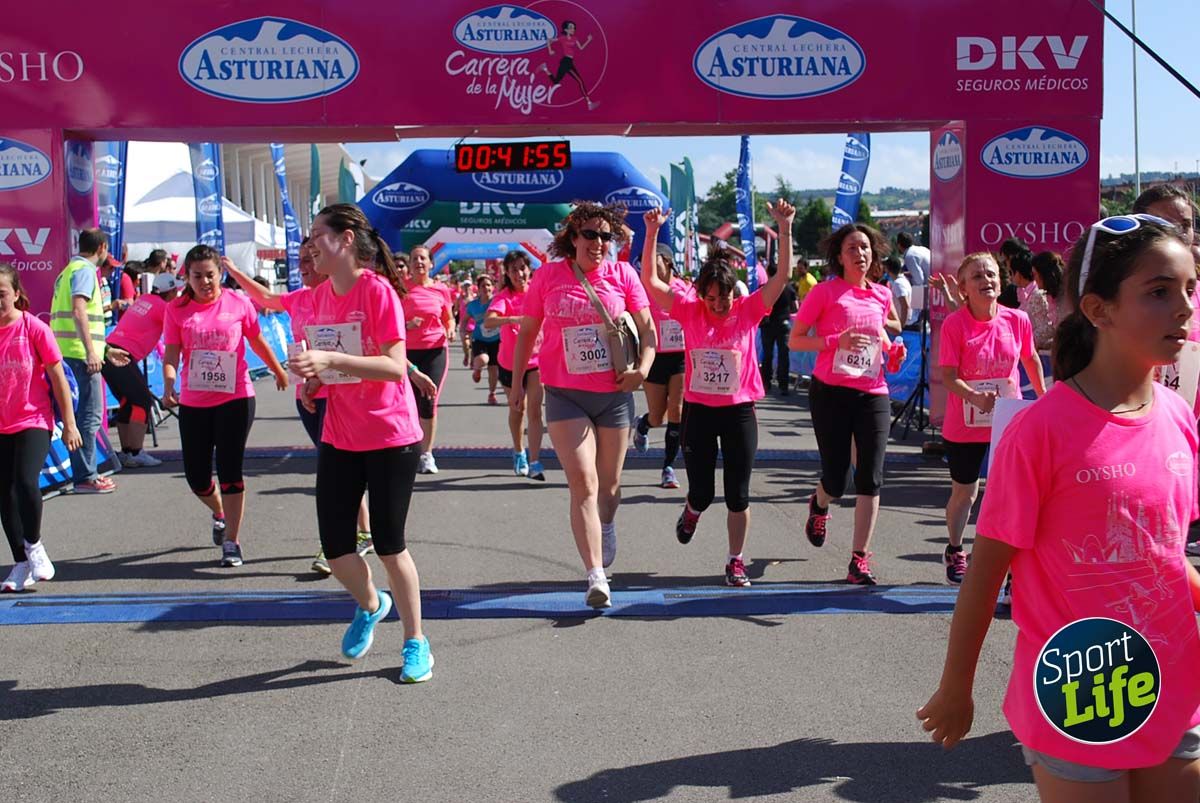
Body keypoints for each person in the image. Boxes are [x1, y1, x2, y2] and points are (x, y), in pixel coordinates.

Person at [918, 214, 1200, 800]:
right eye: (1158, 292)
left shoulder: (1178, 418)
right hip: (1080, 689)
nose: (1183, 308)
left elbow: (1164, 557)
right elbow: (986, 572)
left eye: (1188, 290)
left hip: (1176, 682)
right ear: (1098, 311)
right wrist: (956, 686)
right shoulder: (1040, 431)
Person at [291, 203, 433, 683]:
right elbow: (335, 369)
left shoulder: (378, 292)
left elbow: (394, 366)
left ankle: (416, 642)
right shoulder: (317, 299)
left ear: (347, 238)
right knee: (336, 548)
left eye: (318, 234)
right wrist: (315, 384)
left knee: (392, 546)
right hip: (342, 433)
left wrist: (329, 357)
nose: (311, 244)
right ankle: (372, 605)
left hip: (391, 434)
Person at [509, 201, 656, 608]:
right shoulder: (548, 276)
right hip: (564, 393)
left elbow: (648, 333)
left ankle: (605, 525)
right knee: (583, 483)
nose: (598, 243)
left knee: (608, 487)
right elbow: (527, 332)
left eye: (605, 236)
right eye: (590, 234)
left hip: (614, 396)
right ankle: (596, 575)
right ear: (572, 237)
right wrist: (520, 381)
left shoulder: (623, 275)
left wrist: (642, 370)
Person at [643, 202, 795, 586]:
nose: (717, 306)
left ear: (733, 292)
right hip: (699, 411)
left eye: (722, 298)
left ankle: (735, 560)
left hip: (739, 411)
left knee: (738, 494)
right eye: (710, 299)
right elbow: (651, 283)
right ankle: (692, 510)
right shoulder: (691, 310)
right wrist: (651, 234)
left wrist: (785, 227)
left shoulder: (747, 310)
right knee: (703, 492)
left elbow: (782, 277)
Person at [223, 242, 379, 575]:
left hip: (338, 395)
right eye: (302, 260)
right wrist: (235, 273)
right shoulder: (301, 298)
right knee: (334, 467)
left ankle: (338, 542)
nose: (305, 265)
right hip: (305, 395)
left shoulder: (341, 296)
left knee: (333, 473)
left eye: (311, 259)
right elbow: (265, 298)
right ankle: (363, 531)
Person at [789, 223, 904, 585]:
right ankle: (820, 503)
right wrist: (833, 341)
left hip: (873, 392)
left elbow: (881, 337)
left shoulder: (881, 296)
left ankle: (859, 560)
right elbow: (796, 340)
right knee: (837, 480)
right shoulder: (825, 293)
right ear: (840, 256)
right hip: (830, 392)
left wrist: (893, 352)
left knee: (870, 476)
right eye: (853, 248)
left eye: (866, 247)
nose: (861, 254)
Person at [161, 245, 288, 568]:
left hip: (236, 397)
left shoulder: (238, 302)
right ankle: (218, 511)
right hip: (195, 400)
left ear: (221, 274)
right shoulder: (177, 309)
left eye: (210, 275)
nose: (205, 282)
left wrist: (277, 368)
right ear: (187, 277)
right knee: (197, 477)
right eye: (197, 276)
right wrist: (169, 383)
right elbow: (172, 353)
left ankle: (232, 540)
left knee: (231, 470)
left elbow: (257, 339)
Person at [938, 253, 1045, 584]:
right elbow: (948, 375)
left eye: (992, 274)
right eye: (978, 276)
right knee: (966, 492)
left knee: (1011, 495)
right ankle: (956, 549)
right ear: (964, 288)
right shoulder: (955, 325)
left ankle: (1013, 570)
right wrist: (973, 396)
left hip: (1007, 420)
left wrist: (1044, 400)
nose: (987, 281)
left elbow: (1030, 360)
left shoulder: (1017, 320)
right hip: (965, 423)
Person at [0, 264, 82, 592]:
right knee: (3, 496)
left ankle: (34, 546)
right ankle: (21, 564)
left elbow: (59, 378)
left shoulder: (33, 328)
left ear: (17, 294)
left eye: (1, 294)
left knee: (24, 482)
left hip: (33, 419)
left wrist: (71, 423)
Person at [49, 228, 115, 494]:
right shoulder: (86, 271)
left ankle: (84, 474)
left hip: (68, 351)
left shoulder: (68, 271)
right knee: (89, 415)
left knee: (78, 416)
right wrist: (91, 352)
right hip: (79, 354)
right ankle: (86, 476)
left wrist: (105, 350)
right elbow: (79, 310)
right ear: (101, 248)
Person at [101, 272, 182, 468]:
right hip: (122, 355)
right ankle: (135, 452)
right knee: (142, 400)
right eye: (176, 291)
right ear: (170, 292)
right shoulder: (163, 307)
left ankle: (128, 452)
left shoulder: (145, 299)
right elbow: (179, 330)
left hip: (110, 351)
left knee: (127, 403)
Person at [485, 251, 547, 480]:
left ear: (529, 269)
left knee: (534, 410)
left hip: (536, 361)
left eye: (522, 268)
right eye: (513, 270)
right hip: (509, 364)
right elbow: (489, 321)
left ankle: (535, 461)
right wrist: (513, 319)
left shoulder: (538, 292)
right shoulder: (504, 297)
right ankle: (519, 451)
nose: (519, 273)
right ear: (508, 274)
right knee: (517, 409)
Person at [632, 243, 687, 487]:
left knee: (677, 411)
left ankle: (668, 467)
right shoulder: (644, 288)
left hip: (680, 357)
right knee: (658, 416)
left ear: (668, 262)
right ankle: (643, 425)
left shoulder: (684, 288)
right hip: (653, 356)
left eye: (655, 263)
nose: (650, 269)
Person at [401, 245, 453, 474]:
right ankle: (409, 449)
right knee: (408, 402)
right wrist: (407, 326)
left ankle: (426, 454)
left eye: (423, 258)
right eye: (414, 259)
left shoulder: (441, 290)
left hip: (435, 350)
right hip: (406, 353)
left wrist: (450, 329)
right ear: (409, 264)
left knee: (428, 400)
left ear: (431, 264)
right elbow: (389, 324)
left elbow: (449, 318)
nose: (419, 262)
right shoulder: (400, 289)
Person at [759, 257, 800, 396]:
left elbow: (759, 306)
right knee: (784, 355)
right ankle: (783, 385)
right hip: (784, 324)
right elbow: (795, 308)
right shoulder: (789, 288)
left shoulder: (764, 288)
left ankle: (766, 382)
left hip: (768, 324)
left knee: (767, 355)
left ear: (768, 273)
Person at [539, 20, 598, 110]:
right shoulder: (562, 38)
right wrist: (550, 50)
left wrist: (588, 40)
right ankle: (589, 103)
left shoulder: (575, 38)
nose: (573, 29)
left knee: (556, 81)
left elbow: (581, 48)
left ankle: (545, 68)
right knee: (580, 81)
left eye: (573, 27)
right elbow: (549, 40)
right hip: (566, 62)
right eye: (570, 27)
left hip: (569, 62)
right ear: (566, 29)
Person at [466, 274, 502, 405]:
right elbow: (464, 320)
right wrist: (464, 332)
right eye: (482, 286)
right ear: (478, 288)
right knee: (483, 359)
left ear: (493, 287)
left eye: (488, 285)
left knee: (494, 369)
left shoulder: (498, 301)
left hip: (496, 339)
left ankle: (492, 394)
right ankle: (478, 369)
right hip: (479, 338)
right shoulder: (473, 305)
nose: (485, 288)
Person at [1023, 251, 1066, 351]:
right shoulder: (1051, 296)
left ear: (1044, 275)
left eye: (1035, 274)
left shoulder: (1066, 296)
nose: (1034, 279)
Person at [884, 255, 916, 328]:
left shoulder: (899, 283)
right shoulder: (902, 280)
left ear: (888, 269)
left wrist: (901, 325)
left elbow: (905, 305)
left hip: (905, 325)